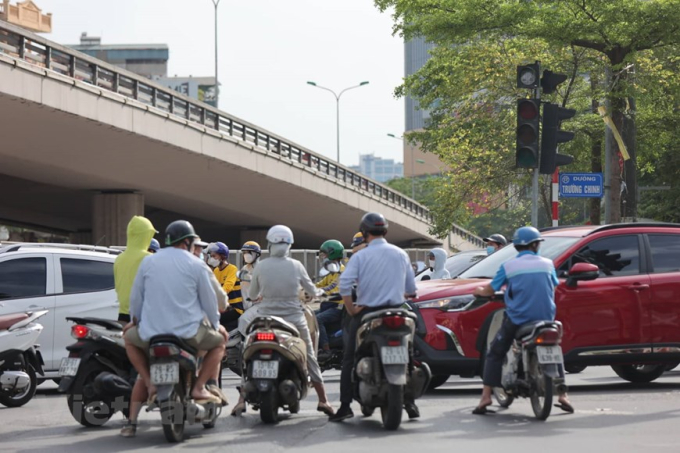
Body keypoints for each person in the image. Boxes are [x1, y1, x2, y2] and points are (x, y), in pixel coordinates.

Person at [120, 220, 228, 437]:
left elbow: (136, 298)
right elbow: (210, 302)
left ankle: (150, 383)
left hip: (152, 333)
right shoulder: (197, 265)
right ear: (188, 242)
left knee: (129, 339)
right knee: (219, 343)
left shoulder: (149, 262)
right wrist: (216, 326)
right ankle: (198, 387)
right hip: (188, 334)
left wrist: (136, 320)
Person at [231, 225, 334, 417]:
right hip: (294, 318)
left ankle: (240, 401)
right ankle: (323, 400)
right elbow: (312, 291)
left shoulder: (261, 266)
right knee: (310, 355)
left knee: (246, 352)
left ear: (269, 244)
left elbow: (253, 294)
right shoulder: (296, 266)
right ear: (289, 245)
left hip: (265, 318)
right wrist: (319, 293)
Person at [472, 226, 573, 415]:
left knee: (495, 352)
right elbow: (552, 285)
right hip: (546, 319)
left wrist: (478, 291)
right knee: (555, 349)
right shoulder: (548, 264)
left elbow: (489, 290)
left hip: (518, 320)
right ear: (535, 245)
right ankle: (563, 395)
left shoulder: (508, 266)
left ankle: (485, 397)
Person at [330, 212, 418, 422]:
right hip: (398, 311)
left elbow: (344, 285)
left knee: (349, 358)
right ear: (386, 231)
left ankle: (345, 406)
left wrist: (352, 310)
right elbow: (411, 289)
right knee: (410, 351)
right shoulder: (400, 254)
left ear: (364, 232)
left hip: (368, 313)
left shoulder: (360, 256)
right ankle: (410, 402)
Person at [114, 216, 157, 324]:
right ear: (147, 235)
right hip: (143, 316)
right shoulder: (150, 258)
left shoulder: (119, 258)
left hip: (122, 315)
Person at [314, 240, 346, 356]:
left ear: (332, 254)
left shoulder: (340, 272)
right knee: (308, 316)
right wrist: (304, 288)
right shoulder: (331, 272)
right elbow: (320, 284)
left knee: (317, 320)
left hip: (337, 307)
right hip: (328, 306)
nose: (323, 258)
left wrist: (320, 292)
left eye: (325, 255)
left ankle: (326, 348)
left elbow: (333, 288)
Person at [208, 242, 244, 331]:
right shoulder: (215, 270)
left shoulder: (232, 269)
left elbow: (227, 287)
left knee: (212, 320)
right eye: (211, 256)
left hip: (235, 308)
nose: (212, 259)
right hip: (223, 307)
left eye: (214, 256)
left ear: (223, 256)